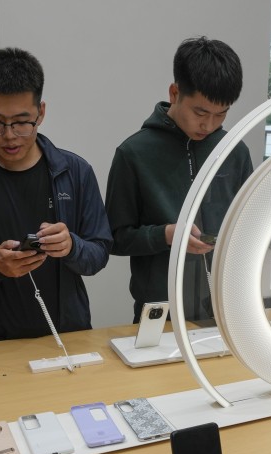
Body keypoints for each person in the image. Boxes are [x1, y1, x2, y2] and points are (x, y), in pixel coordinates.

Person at [0, 48, 111, 344]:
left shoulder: (75, 172)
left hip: (67, 336)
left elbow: (99, 254)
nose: (9, 135)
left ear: (41, 112)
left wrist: (71, 246)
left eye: (22, 122)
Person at [107, 37, 254, 322]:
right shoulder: (133, 153)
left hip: (223, 309)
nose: (208, 125)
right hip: (159, 312)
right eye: (200, 112)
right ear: (175, 93)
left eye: (221, 114)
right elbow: (114, 239)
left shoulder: (233, 151)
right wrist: (165, 235)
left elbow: (249, 227)